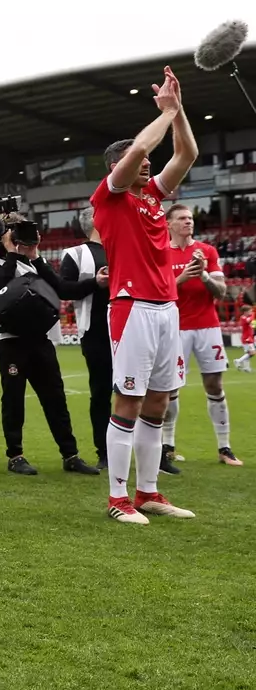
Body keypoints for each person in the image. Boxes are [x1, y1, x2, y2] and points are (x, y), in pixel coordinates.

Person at [90, 66, 198, 524]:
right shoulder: (109, 197)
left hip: (166, 309)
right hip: (131, 308)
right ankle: (117, 500)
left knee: (159, 402)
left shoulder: (152, 197)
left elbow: (187, 153)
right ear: (116, 169)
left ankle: (148, 492)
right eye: (139, 164)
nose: (149, 165)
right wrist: (163, 112)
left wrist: (178, 113)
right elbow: (138, 148)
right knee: (128, 402)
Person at [0, 213, 100, 477]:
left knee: (55, 398)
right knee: (13, 399)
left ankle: (71, 454)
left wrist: (35, 254)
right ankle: (16, 455)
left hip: (40, 340)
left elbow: (62, 289)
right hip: (10, 341)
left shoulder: (32, 264)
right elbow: (0, 285)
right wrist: (12, 252)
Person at [166, 204, 242, 466]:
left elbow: (221, 292)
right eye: (182, 219)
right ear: (169, 224)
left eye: (190, 218)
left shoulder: (207, 251)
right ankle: (168, 446)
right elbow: (158, 290)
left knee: (215, 385)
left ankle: (224, 448)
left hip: (208, 327)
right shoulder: (162, 252)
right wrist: (184, 277)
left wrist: (205, 274)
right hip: (175, 328)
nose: (188, 222)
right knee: (170, 389)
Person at [61, 207, 113, 468]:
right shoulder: (76, 254)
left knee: (141, 392)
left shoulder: (123, 246)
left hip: (131, 327)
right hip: (96, 331)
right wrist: (96, 283)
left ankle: (157, 452)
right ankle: (104, 452)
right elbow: (64, 289)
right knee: (102, 392)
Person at [235, 304, 255, 372]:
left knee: (248, 353)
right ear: (245, 312)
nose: (251, 312)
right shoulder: (243, 318)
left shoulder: (247, 317)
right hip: (247, 338)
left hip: (249, 337)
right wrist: (253, 314)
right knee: (252, 353)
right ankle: (238, 361)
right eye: (250, 311)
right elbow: (248, 321)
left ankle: (247, 368)